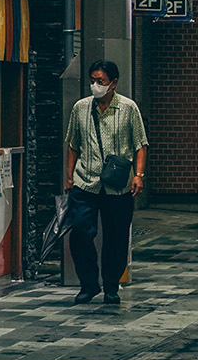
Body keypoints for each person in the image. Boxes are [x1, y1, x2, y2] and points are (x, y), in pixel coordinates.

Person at [63, 60, 148, 305]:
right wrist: (69, 177)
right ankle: (89, 284)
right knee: (80, 232)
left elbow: (140, 144)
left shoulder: (128, 108)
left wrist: (139, 176)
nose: (95, 86)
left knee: (117, 236)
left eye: (101, 81)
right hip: (85, 182)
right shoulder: (80, 108)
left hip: (118, 185)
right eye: (93, 80)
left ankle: (111, 286)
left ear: (113, 83)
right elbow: (72, 145)